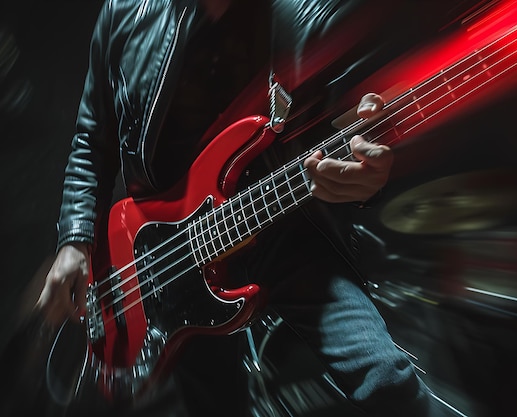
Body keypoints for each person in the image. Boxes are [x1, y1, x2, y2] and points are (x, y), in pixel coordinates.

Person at [36, 0, 443, 415]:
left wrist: (365, 175)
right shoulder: (124, 13)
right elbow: (92, 139)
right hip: (168, 262)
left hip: (284, 225)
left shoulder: (302, 10)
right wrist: (75, 240)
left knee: (387, 382)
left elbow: (344, 118)